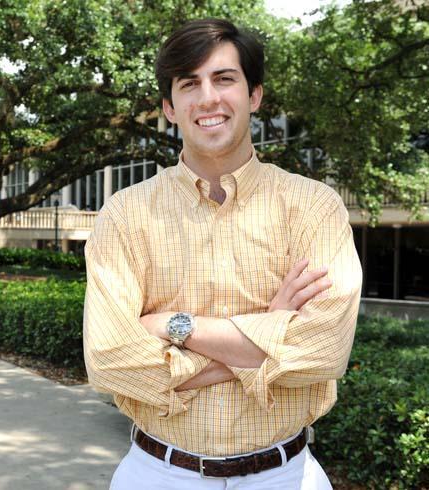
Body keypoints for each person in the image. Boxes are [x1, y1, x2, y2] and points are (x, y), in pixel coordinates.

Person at [83, 18, 362, 489]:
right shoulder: (124, 215)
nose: (208, 98)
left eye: (224, 79)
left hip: (284, 476)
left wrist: (178, 328)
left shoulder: (314, 207)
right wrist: (270, 329)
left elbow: (323, 352)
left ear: (254, 96)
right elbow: (111, 362)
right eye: (190, 84)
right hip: (157, 474)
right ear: (170, 107)